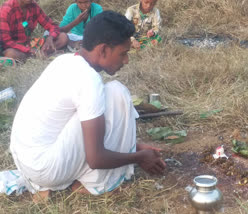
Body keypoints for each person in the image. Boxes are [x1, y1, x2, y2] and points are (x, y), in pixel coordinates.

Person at [10, 10, 166, 200]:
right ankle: (97, 183)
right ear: (103, 50)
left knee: (104, 101)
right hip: (45, 168)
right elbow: (96, 157)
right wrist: (138, 157)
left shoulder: (65, 60)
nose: (126, 61)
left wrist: (133, 146)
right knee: (117, 93)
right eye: (123, 53)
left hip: (27, 162)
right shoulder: (89, 80)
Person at [0, 0, 68, 61]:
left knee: (63, 37)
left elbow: (53, 26)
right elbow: (6, 42)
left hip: (29, 44)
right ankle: (41, 54)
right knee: (11, 54)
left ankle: (37, 55)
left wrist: (50, 38)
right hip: (15, 47)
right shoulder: (7, 9)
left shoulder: (34, 6)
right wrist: (29, 50)